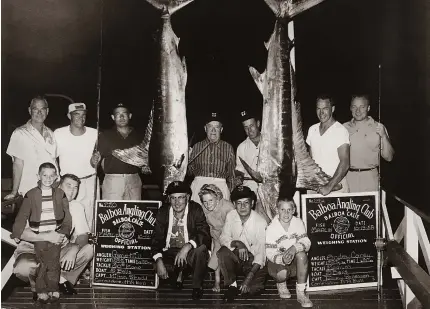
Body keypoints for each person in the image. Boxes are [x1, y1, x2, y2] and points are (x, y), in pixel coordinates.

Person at [12, 173, 94, 301]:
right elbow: (20, 233)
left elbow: (83, 235)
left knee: (90, 248)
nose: (72, 190)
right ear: (58, 186)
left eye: (75, 187)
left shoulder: (77, 207)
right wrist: (47, 236)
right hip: (31, 249)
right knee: (24, 267)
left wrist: (74, 248)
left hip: (57, 251)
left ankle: (60, 278)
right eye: (68, 185)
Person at [11, 163, 72, 303]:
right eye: (45, 175)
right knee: (43, 263)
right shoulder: (31, 194)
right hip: (40, 235)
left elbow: (67, 218)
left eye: (52, 175)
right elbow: (22, 216)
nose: (48, 178)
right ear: (38, 176)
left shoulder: (60, 194)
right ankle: (41, 290)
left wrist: (64, 233)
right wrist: (16, 232)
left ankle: (53, 288)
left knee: (54, 264)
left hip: (56, 234)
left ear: (56, 177)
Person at [152, 181, 211, 300]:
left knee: (201, 250)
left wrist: (188, 246)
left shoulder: (195, 209)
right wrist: (158, 260)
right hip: (170, 252)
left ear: (188, 197)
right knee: (159, 268)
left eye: (180, 197)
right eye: (173, 198)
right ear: (169, 198)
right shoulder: (163, 211)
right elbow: (156, 238)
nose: (177, 202)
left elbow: (204, 233)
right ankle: (181, 272)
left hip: (189, 252)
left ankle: (197, 286)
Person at [218, 186, 268, 302]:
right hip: (238, 259)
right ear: (234, 204)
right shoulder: (231, 215)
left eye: (246, 202)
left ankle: (251, 280)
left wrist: (248, 279)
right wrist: (238, 243)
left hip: (254, 263)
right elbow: (223, 237)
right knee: (222, 252)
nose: (243, 206)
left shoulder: (260, 222)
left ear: (252, 203)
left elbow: (261, 255)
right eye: (239, 203)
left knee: (251, 291)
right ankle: (232, 285)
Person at [54, 103, 99, 231]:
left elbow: (100, 159)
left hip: (90, 180)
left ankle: (88, 247)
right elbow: (52, 157)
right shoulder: (59, 133)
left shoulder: (95, 133)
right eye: (76, 114)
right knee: (68, 216)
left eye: (83, 115)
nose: (81, 118)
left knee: (90, 217)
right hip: (68, 183)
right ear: (69, 116)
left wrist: (97, 161)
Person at [5, 96, 58, 199]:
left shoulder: (51, 133)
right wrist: (14, 191)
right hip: (29, 190)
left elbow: (54, 160)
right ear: (30, 110)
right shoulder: (19, 133)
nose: (39, 112)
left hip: (51, 189)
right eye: (35, 109)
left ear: (47, 111)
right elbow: (17, 164)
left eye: (42, 109)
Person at [265, 198, 313, 308]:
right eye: (282, 209)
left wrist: (294, 248)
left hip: (294, 261)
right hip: (277, 263)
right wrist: (282, 259)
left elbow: (307, 242)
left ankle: (301, 293)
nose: (286, 213)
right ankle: (281, 283)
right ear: (277, 210)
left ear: (293, 210)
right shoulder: (271, 227)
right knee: (282, 274)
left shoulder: (298, 222)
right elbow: (270, 252)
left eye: (289, 209)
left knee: (302, 256)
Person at [91, 103, 142, 200]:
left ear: (130, 116)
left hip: (134, 179)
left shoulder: (139, 136)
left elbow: (146, 162)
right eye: (118, 114)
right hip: (113, 180)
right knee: (111, 212)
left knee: (134, 212)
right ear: (113, 117)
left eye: (124, 113)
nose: (121, 117)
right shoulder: (105, 135)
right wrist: (94, 160)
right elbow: (94, 163)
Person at [344, 95, 394, 192]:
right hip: (348, 178)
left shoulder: (379, 127)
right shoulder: (343, 128)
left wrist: (383, 136)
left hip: (370, 179)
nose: (358, 111)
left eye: (362, 107)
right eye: (354, 107)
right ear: (350, 108)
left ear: (368, 108)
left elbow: (389, 157)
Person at [306, 95, 350, 195]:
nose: (321, 113)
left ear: (332, 109)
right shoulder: (312, 129)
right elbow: (311, 160)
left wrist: (329, 186)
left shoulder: (340, 130)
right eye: (318, 109)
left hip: (336, 187)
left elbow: (345, 163)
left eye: (325, 109)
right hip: (315, 187)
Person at [188, 111, 235, 203]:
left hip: (221, 187)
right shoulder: (197, 146)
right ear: (205, 128)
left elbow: (231, 176)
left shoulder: (228, 147)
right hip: (198, 187)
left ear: (221, 129)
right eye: (210, 126)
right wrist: (187, 160)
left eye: (216, 127)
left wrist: (230, 195)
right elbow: (189, 173)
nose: (213, 130)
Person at [197, 184, 235, 292]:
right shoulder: (204, 208)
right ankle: (217, 282)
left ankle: (232, 283)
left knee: (225, 257)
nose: (208, 204)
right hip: (216, 235)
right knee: (216, 256)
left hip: (230, 235)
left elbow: (235, 226)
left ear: (217, 198)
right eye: (205, 201)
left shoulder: (228, 207)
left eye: (210, 200)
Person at [235, 109, 269, 221]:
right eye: (246, 127)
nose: (249, 130)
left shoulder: (271, 142)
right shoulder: (241, 147)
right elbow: (239, 169)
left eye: (252, 125)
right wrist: (238, 178)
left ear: (258, 124)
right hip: (250, 189)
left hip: (269, 188)